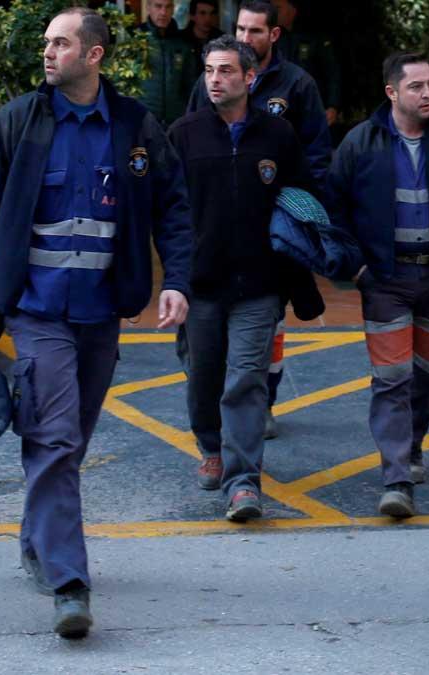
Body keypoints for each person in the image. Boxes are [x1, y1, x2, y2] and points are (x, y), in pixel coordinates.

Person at [0, 7, 191, 640]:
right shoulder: (20, 122)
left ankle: (38, 540)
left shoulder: (135, 127)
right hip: (37, 311)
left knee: (66, 440)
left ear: (94, 55)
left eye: (60, 43)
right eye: (47, 43)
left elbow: (174, 208)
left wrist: (178, 281)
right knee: (53, 442)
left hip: (103, 314)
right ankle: (70, 583)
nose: (47, 53)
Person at [326, 53, 429, 518]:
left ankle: (413, 445)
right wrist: (356, 269)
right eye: (416, 86)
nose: (427, 94)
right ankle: (396, 478)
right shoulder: (361, 142)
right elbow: (332, 209)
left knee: (427, 374)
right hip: (384, 281)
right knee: (391, 379)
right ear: (392, 93)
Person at [168, 34, 318, 522]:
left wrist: (301, 268)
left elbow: (300, 204)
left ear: (249, 78)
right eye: (210, 70)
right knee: (204, 378)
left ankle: (242, 483)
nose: (215, 79)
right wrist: (174, 277)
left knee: (246, 381)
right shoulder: (184, 135)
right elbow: (167, 212)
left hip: (259, 286)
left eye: (226, 71)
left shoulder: (278, 136)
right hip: (202, 285)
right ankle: (211, 447)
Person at [185, 0, 333, 440]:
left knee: (268, 328)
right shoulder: (210, 81)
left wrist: (299, 218)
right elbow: (192, 139)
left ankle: (262, 402)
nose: (246, 38)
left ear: (274, 36)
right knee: (207, 348)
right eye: (241, 29)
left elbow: (316, 159)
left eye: (255, 31)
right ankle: (220, 427)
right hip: (213, 242)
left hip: (270, 237)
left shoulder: (298, 85)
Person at [271, 0, 341, 127]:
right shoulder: (272, 37)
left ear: (292, 10)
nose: (273, 12)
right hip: (279, 107)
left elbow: (332, 73)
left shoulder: (315, 37)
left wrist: (333, 105)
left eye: (278, 8)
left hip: (311, 108)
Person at [139, 0, 198, 126]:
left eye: (168, 7)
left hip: (177, 121)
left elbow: (191, 84)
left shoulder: (183, 42)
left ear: (173, 9)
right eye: (158, 6)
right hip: (144, 119)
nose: (163, 12)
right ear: (149, 7)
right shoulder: (136, 40)